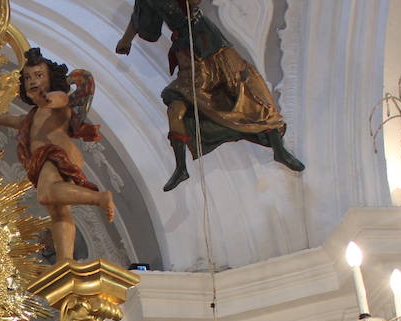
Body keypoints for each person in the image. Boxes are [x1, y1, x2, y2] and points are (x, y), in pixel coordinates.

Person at [115, 0, 303, 191]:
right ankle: (181, 168)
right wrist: (125, 41)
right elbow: (139, 21)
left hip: (211, 44)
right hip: (188, 54)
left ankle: (279, 149)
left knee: (250, 89)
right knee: (176, 108)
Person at [0, 48, 116, 264]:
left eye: (38, 75)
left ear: (51, 78)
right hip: (43, 158)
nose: (32, 81)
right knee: (58, 210)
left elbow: (54, 100)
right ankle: (65, 260)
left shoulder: (59, 96)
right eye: (27, 77)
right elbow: (17, 121)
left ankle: (100, 198)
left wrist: (44, 98)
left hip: (55, 153)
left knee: (46, 194)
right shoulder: (34, 114)